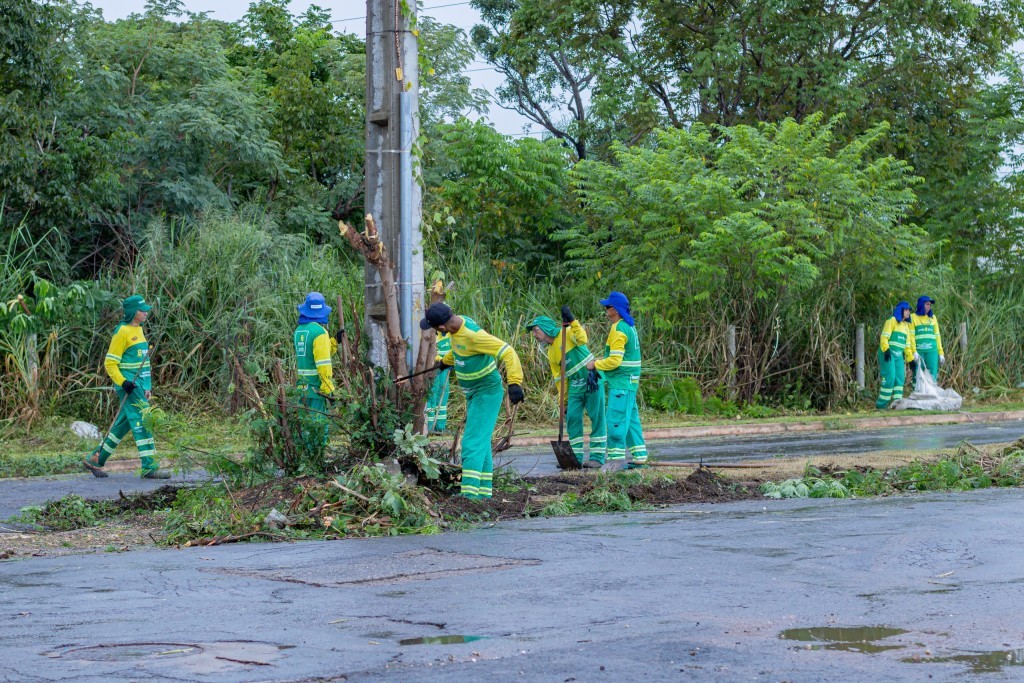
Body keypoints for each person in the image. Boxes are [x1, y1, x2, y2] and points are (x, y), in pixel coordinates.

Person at [422, 303, 525, 499]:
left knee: (471, 442)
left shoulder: (473, 336)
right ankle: (483, 493)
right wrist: (446, 361)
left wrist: (514, 383)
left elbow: (508, 351)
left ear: (441, 328)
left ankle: (468, 495)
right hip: (474, 393)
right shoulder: (457, 326)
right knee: (481, 442)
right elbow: (459, 348)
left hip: (486, 392)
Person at [82, 295, 169, 479]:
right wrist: (124, 382)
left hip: (139, 385)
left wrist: (147, 385)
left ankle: (95, 459)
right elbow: (110, 363)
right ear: (132, 312)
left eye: (146, 309)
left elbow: (143, 363)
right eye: (141, 310)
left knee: (121, 425)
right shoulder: (121, 332)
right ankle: (149, 466)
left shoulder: (139, 329)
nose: (146, 312)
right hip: (129, 386)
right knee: (145, 421)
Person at [526, 306, 606, 468]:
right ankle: (574, 457)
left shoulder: (567, 333)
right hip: (575, 386)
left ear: (546, 328)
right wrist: (564, 401)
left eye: (536, 331)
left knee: (596, 417)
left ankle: (597, 457)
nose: (534, 335)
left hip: (592, 379)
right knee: (573, 418)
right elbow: (559, 379)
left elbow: (582, 338)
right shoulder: (551, 353)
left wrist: (572, 320)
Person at [586, 291, 647, 472]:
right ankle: (640, 456)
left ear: (617, 310)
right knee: (631, 420)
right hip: (629, 382)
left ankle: (615, 460)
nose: (606, 310)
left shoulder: (619, 329)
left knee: (616, 420)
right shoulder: (629, 326)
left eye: (608, 306)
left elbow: (615, 361)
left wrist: (595, 364)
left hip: (621, 383)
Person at [293, 292, 338, 416]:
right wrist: (328, 389)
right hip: (316, 389)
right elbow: (323, 362)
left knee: (304, 427)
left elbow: (311, 355)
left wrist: (334, 342)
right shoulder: (319, 332)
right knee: (318, 428)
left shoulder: (299, 331)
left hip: (302, 388)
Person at [877, 301, 918, 409]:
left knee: (900, 377)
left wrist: (910, 359)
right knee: (889, 377)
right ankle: (881, 405)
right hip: (888, 353)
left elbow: (907, 345)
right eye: (906, 310)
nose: (908, 312)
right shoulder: (892, 321)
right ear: (901, 311)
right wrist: (886, 350)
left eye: (909, 310)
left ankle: (896, 404)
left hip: (899, 355)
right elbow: (884, 336)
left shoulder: (906, 326)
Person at [910, 295, 944, 381]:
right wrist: (914, 351)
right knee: (917, 373)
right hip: (919, 351)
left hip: (932, 351)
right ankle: (917, 393)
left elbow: (937, 336)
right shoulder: (913, 317)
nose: (929, 306)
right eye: (927, 304)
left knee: (932, 373)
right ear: (921, 304)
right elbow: (911, 336)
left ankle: (932, 393)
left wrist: (940, 353)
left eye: (930, 305)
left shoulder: (933, 318)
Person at [425, 331, 452, 433]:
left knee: (443, 393)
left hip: (445, 368)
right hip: (433, 367)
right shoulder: (430, 333)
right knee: (432, 393)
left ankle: (440, 427)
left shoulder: (449, 333)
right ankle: (429, 426)